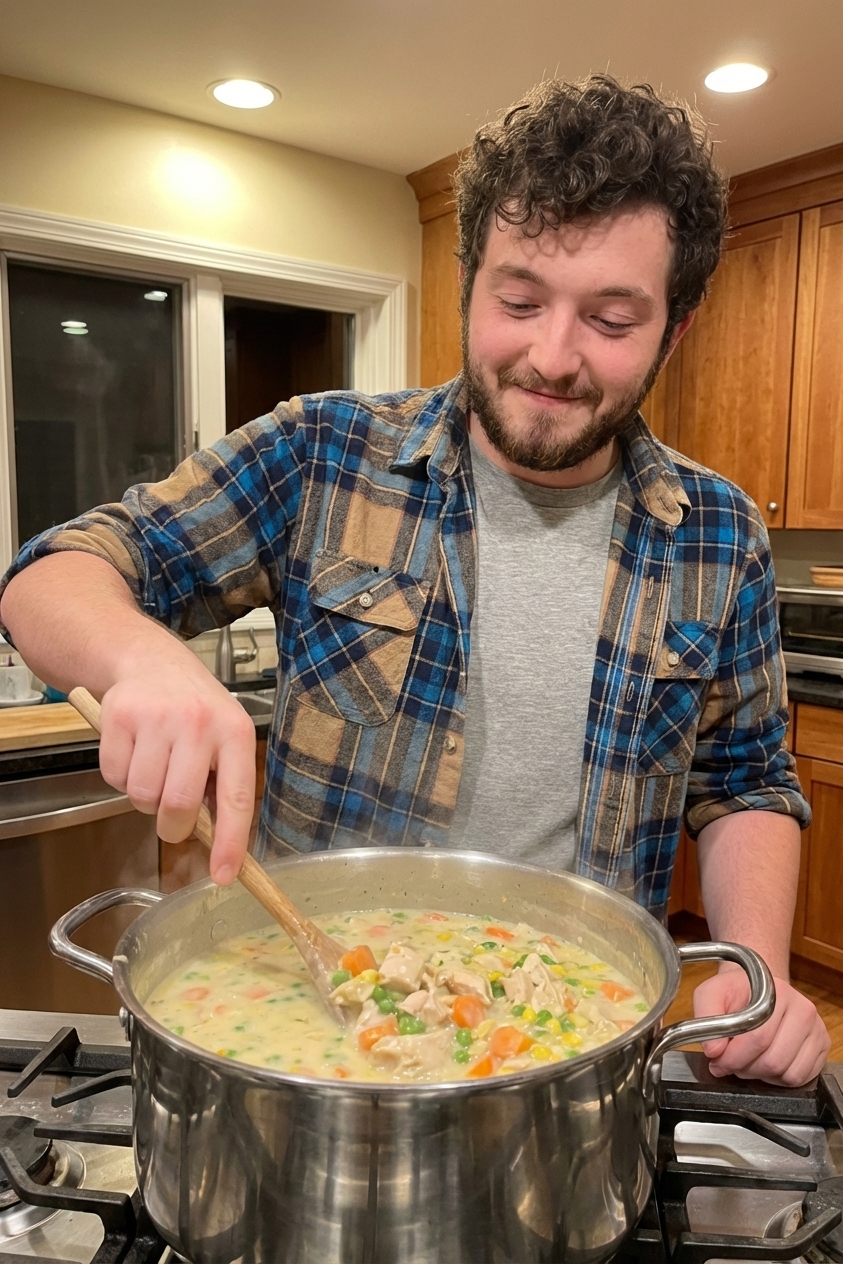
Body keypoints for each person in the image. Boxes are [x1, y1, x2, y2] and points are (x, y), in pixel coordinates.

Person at [0, 76, 829, 1085]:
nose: (551, 355)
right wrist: (143, 661)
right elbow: (54, 570)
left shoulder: (718, 533)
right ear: (472, 275)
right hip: (312, 1035)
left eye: (612, 320)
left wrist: (757, 971)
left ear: (676, 327)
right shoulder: (324, 453)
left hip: (575, 1046)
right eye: (519, 299)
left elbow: (746, 779)